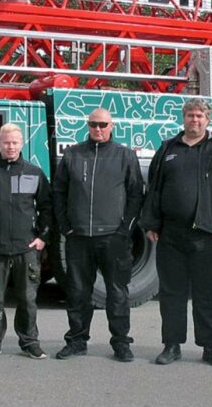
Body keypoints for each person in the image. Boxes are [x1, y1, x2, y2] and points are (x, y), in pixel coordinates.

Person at [140, 98, 212, 367]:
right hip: (171, 234)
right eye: (190, 115)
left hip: (207, 234)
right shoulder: (168, 149)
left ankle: (210, 347)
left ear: (208, 119)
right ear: (183, 118)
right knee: (172, 292)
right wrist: (151, 224)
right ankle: (172, 345)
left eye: (200, 116)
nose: (195, 120)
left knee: (208, 293)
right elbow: (154, 189)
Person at [52, 108, 145, 363]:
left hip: (113, 237)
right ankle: (77, 341)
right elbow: (58, 193)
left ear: (111, 126)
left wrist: (125, 229)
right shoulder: (72, 154)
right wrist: (65, 227)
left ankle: (121, 343)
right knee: (78, 292)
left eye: (103, 124)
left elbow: (137, 193)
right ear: (88, 125)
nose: (98, 129)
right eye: (93, 124)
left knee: (117, 292)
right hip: (78, 236)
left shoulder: (124, 155)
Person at [0, 123, 53, 361]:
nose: (11, 146)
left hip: (27, 249)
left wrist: (43, 238)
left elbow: (47, 207)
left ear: (21, 143)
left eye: (15, 142)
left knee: (27, 299)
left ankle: (30, 342)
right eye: (6, 142)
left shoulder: (34, 173)